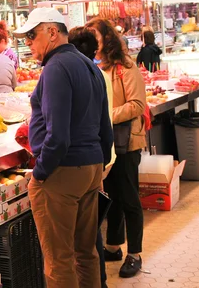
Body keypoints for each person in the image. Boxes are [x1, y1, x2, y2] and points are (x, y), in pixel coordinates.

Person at [13, 8, 113, 288]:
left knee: (59, 260)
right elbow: (105, 124)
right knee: (86, 253)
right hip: (90, 167)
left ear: (52, 33)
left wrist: (41, 172)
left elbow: (58, 136)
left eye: (32, 36)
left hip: (63, 171)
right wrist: (100, 162)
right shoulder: (90, 65)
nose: (29, 43)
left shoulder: (56, 69)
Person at [86, 18, 147, 279]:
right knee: (111, 198)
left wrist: (106, 116)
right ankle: (113, 246)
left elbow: (137, 104)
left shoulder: (125, 66)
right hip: (106, 143)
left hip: (127, 142)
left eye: (95, 38)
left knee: (130, 197)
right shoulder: (94, 67)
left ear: (106, 39)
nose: (91, 44)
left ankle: (134, 253)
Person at [69, 26, 116, 288]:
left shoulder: (81, 75)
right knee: (92, 225)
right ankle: (99, 281)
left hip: (87, 158)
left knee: (86, 232)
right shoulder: (97, 73)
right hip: (99, 155)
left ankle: (97, 280)